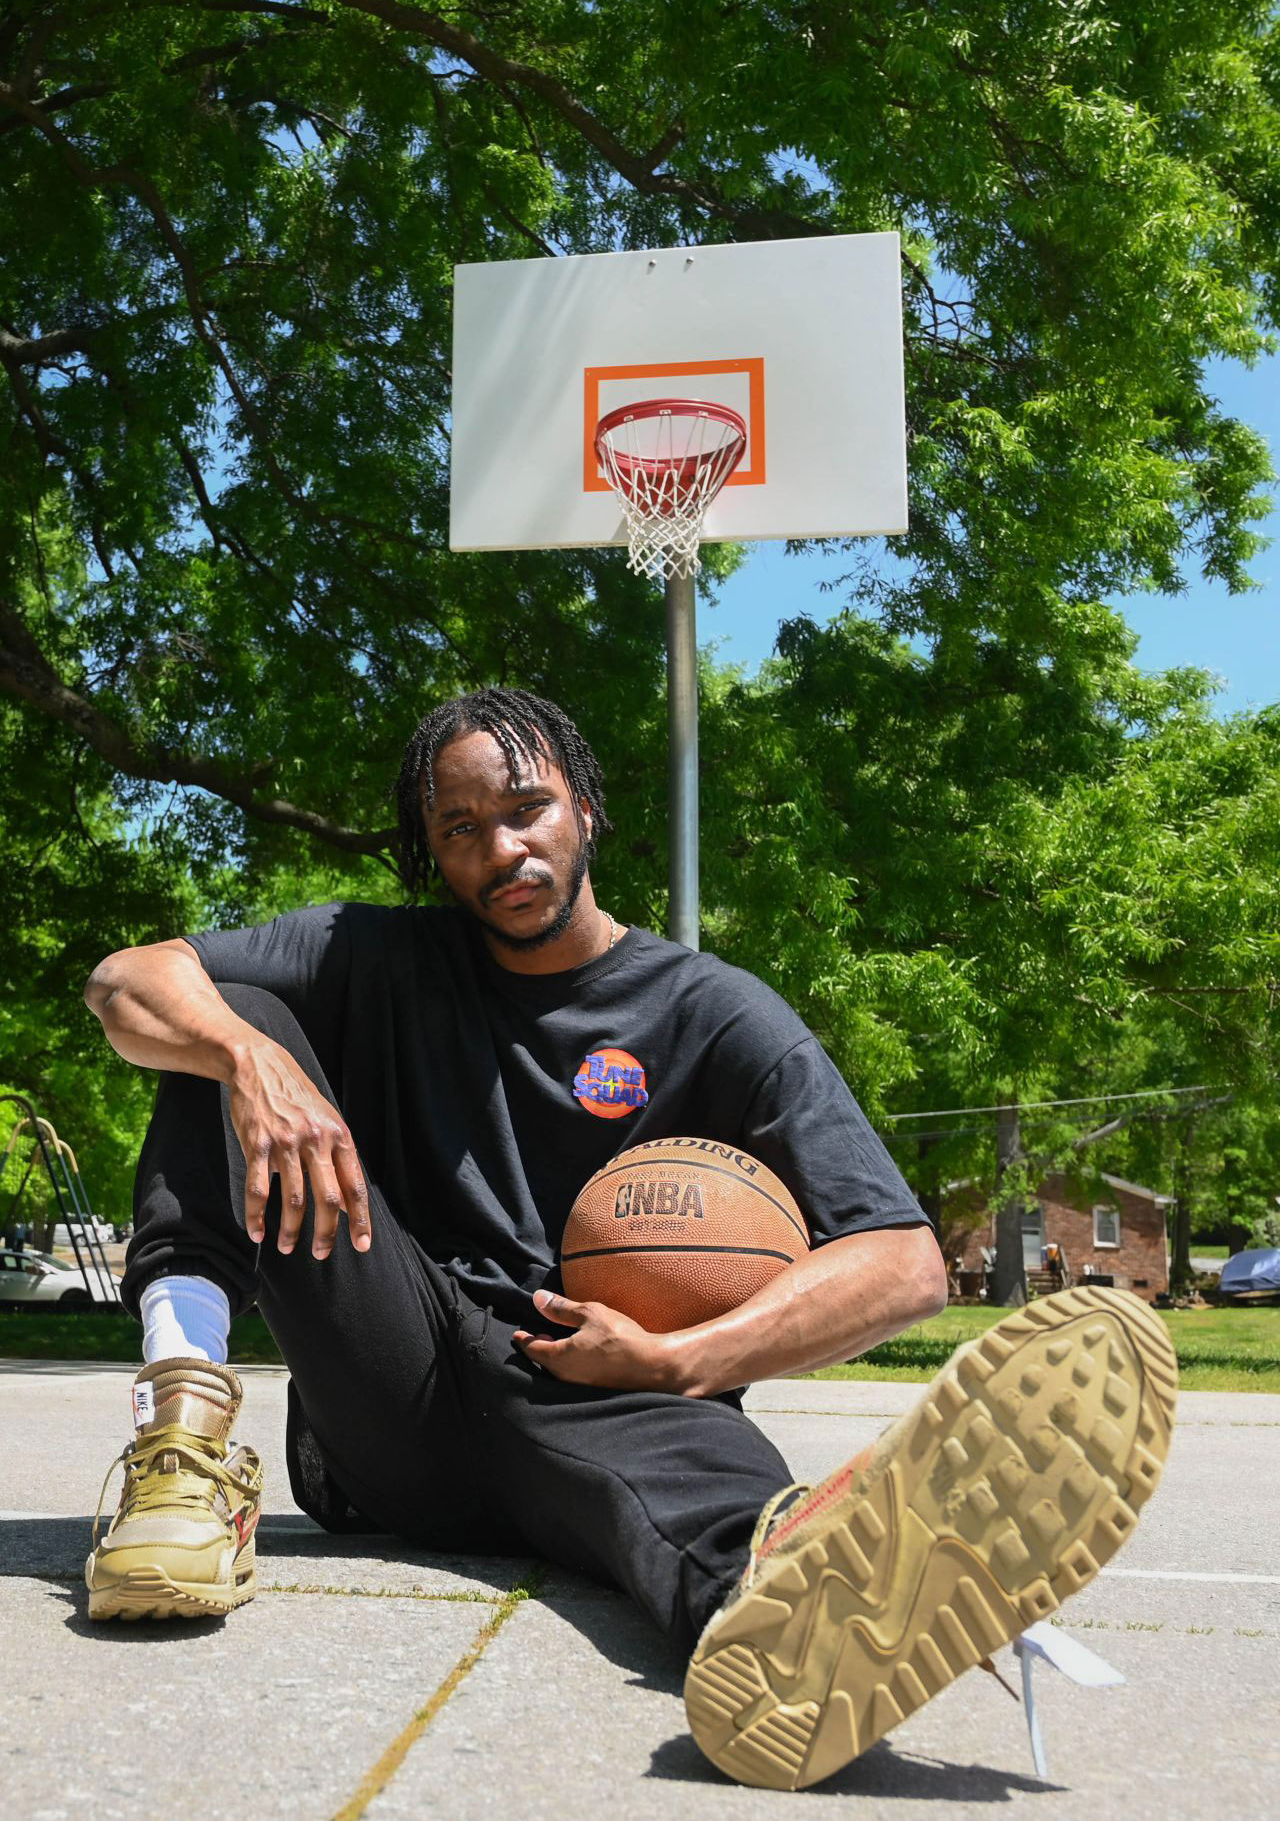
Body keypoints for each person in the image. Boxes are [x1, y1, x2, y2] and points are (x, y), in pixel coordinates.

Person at [81, 687, 1175, 1790]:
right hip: (393, 1380)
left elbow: (903, 1261)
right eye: (460, 829)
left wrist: (683, 1357)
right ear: (430, 854)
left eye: (527, 808)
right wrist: (246, 1058)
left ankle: (810, 1612)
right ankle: (179, 1445)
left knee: (723, 1503)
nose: (501, 850)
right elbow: (126, 978)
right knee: (225, 1017)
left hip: (605, 1390)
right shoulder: (374, 955)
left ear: (587, 807)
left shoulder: (715, 1013)